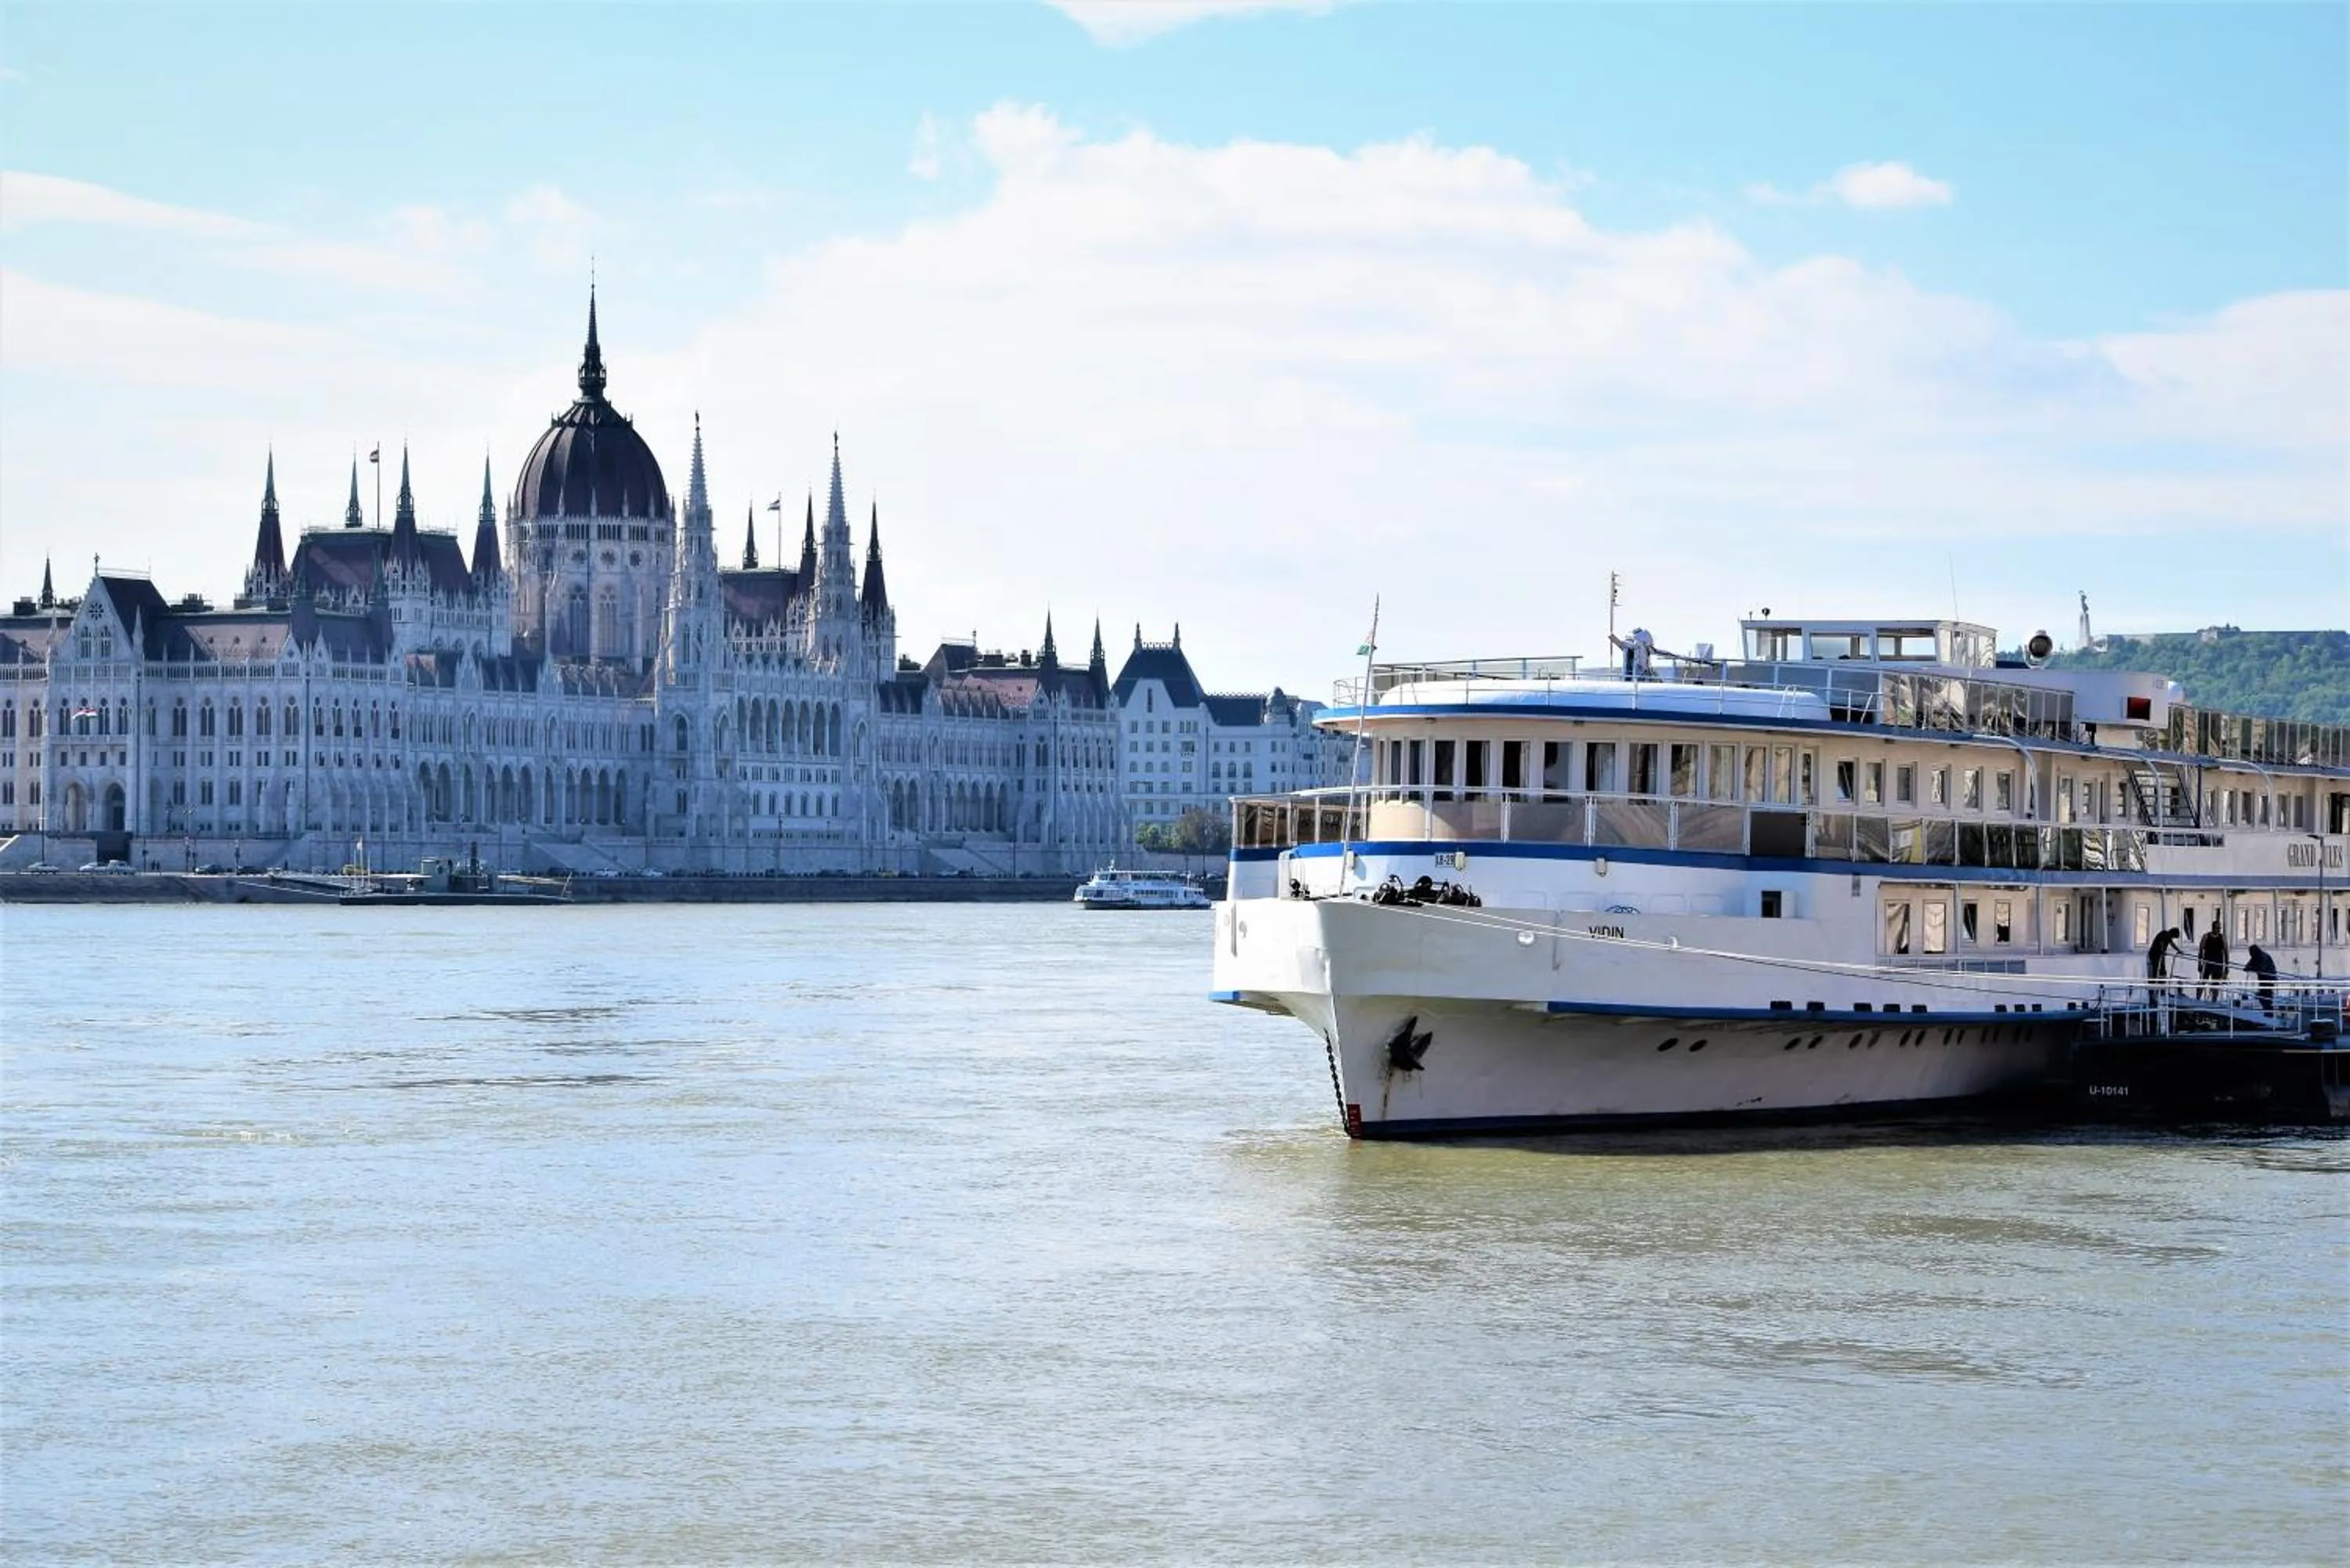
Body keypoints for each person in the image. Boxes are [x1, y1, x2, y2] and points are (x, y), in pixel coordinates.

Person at [2146, 925, 2182, 1006]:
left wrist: (2179, 950)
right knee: (2156, 974)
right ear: (2172, 933)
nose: (2173, 939)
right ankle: (2154, 994)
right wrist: (2162, 951)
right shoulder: (2164, 934)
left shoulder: (2168, 936)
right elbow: (2161, 943)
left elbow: (2172, 944)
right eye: (2174, 937)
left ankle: (2163, 992)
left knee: (2163, 973)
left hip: (2160, 956)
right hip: (2155, 955)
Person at [2196, 923, 2229, 1003]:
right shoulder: (2206, 936)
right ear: (2213, 928)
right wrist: (2199, 963)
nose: (2219, 930)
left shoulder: (2222, 938)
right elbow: (2201, 950)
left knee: (2216, 983)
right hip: (2207, 963)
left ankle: (2214, 1001)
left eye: (2219, 928)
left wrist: (2227, 967)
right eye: (2217, 928)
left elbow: (2226, 952)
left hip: (2218, 963)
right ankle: (2197, 999)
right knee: (2203, 981)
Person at [2244, 943, 2278, 1017]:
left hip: (2269, 978)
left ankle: (2269, 1012)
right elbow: (2248, 966)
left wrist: (2252, 968)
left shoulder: (2264, 956)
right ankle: (2267, 1012)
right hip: (2263, 979)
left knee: (2266, 995)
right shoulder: (2255, 957)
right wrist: (2249, 967)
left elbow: (2262, 969)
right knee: (2263, 995)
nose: (2251, 955)